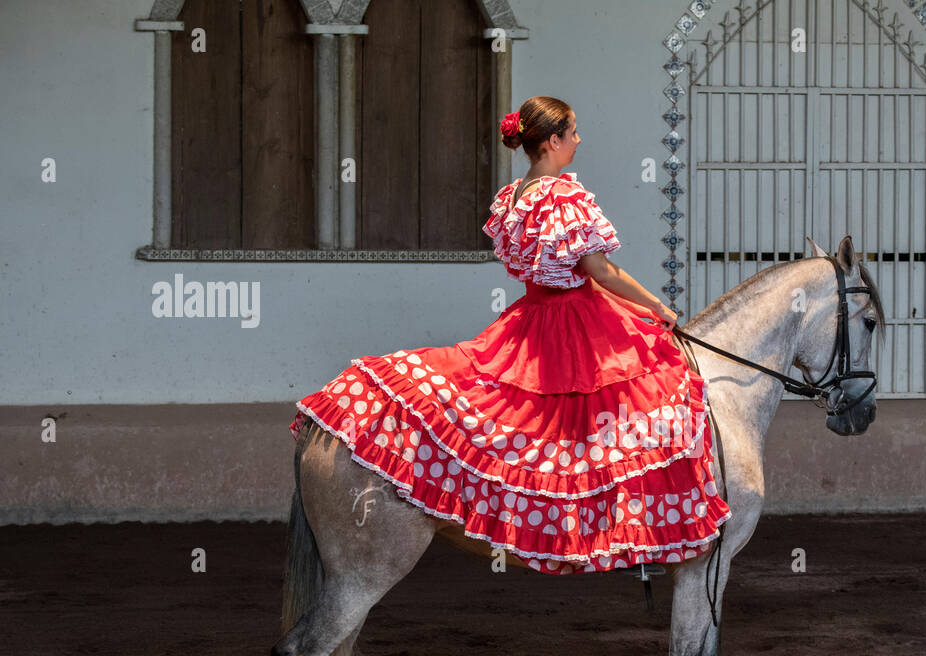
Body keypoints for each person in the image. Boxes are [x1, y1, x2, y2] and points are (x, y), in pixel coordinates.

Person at [290, 95, 730, 574]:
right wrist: (655, 305)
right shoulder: (564, 196)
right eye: (574, 133)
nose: (579, 142)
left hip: (532, 315)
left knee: (531, 420)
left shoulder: (514, 197)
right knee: (617, 416)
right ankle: (618, 529)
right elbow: (600, 271)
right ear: (554, 140)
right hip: (573, 320)